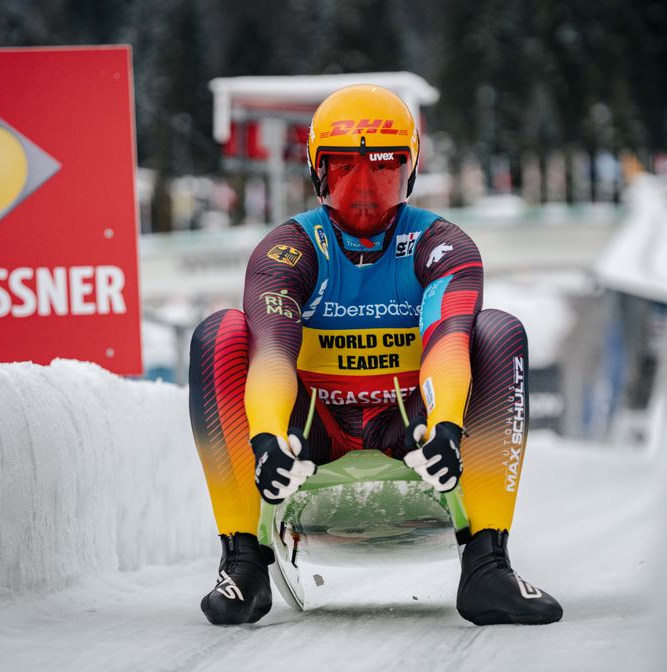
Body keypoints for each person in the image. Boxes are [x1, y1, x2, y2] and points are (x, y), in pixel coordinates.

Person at [189, 84, 562, 626]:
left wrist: (448, 424)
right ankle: (243, 561)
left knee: (499, 330)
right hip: (313, 421)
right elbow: (271, 352)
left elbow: (449, 340)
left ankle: (487, 564)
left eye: (382, 171)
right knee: (219, 333)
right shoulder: (286, 250)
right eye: (344, 172)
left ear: (408, 172)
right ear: (319, 174)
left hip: (406, 418)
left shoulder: (443, 245)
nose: (363, 194)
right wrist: (267, 437)